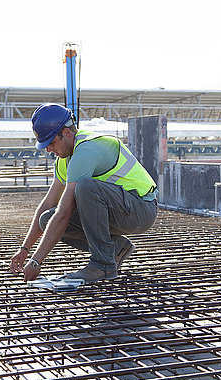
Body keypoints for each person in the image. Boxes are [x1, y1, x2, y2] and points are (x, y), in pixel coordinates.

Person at [10, 103, 158, 283]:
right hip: (121, 210)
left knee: (85, 188)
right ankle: (114, 249)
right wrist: (24, 249)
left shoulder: (86, 150)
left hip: (141, 209)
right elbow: (49, 203)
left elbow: (63, 213)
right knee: (46, 219)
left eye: (51, 142)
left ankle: (103, 265)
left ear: (66, 133)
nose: (48, 149)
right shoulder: (65, 158)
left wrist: (36, 261)